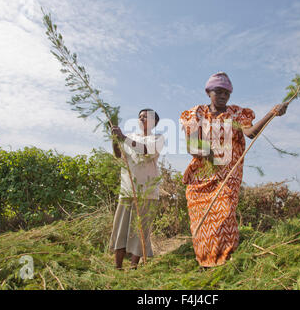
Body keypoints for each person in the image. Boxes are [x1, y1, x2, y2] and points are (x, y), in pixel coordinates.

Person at [179, 72, 288, 267]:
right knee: (202, 224)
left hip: (227, 177)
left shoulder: (237, 114)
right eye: (218, 92)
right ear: (208, 92)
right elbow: (191, 146)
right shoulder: (197, 114)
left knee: (225, 216)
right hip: (200, 179)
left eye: (227, 93)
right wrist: (211, 155)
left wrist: (272, 113)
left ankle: (225, 264)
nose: (223, 96)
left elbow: (250, 133)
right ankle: (206, 265)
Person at [109, 109, 164, 270]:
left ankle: (134, 267)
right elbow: (118, 155)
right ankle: (117, 267)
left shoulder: (157, 138)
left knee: (140, 230)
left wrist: (123, 138)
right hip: (127, 189)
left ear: (154, 122)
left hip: (147, 192)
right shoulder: (131, 137)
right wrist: (115, 138)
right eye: (140, 116)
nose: (141, 118)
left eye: (145, 116)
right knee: (121, 229)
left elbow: (146, 150)